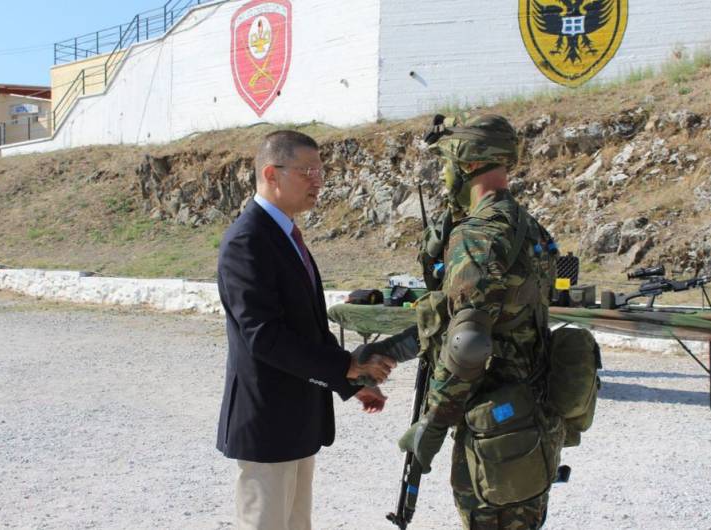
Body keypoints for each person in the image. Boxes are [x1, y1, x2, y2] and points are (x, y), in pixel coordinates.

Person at [215, 130, 397, 529]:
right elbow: (264, 336)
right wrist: (345, 366)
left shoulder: (284, 234)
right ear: (272, 173)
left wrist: (350, 381)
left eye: (320, 171)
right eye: (307, 171)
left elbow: (310, 327)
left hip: (296, 419)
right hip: (268, 420)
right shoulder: (248, 241)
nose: (318, 181)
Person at [399, 114, 565, 529]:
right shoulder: (531, 228)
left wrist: (433, 424)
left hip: (492, 426)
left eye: (446, 164)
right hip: (535, 415)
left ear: (467, 164)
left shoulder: (477, 236)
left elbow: (468, 345)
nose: (442, 174)